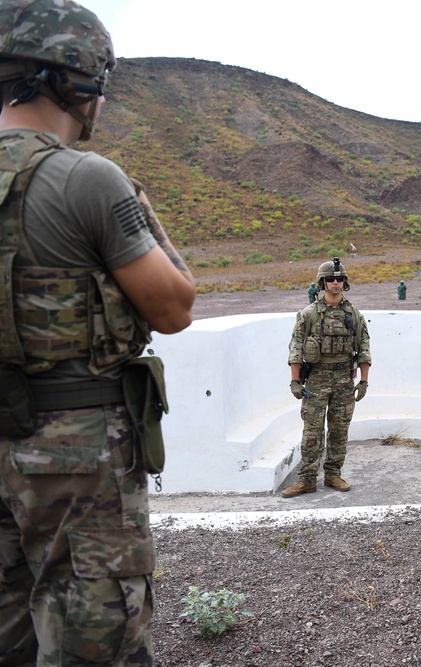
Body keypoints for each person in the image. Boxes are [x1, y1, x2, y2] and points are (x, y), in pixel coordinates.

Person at [0, 1, 196, 664]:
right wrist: (137, 208)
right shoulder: (89, 179)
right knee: (98, 640)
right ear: (76, 82)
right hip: (77, 460)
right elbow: (174, 306)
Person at [284, 258, 371, 497]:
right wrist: (295, 380)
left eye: (340, 279)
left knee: (339, 428)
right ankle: (307, 479)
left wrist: (363, 381)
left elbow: (364, 347)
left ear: (345, 282)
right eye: (330, 279)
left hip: (344, 378)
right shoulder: (308, 314)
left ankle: (333, 474)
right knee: (312, 431)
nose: (335, 283)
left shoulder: (354, 315)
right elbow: (296, 348)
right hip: (317, 378)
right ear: (322, 283)